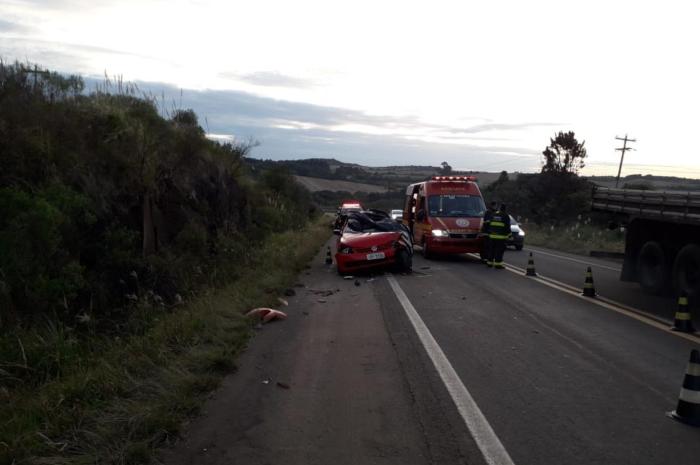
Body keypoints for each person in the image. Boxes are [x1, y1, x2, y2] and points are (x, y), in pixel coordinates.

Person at [486, 204, 511, 269]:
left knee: (491, 250)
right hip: (501, 237)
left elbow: (489, 224)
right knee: (499, 251)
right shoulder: (505, 215)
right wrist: (509, 235)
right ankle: (498, 264)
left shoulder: (493, 214)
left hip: (492, 236)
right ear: (505, 209)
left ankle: (489, 263)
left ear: (499, 208)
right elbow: (507, 227)